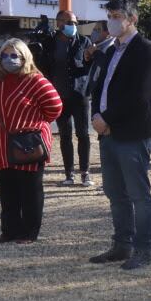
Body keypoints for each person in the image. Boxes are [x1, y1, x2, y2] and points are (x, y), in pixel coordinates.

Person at [89, 0, 151, 270]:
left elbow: (139, 97)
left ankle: (143, 250)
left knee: (138, 195)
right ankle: (122, 245)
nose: (111, 21)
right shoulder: (109, 50)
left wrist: (107, 118)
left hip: (131, 133)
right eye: (109, 15)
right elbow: (99, 86)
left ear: (132, 19)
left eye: (117, 16)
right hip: (107, 133)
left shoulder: (145, 50)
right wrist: (97, 115)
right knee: (114, 192)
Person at [0, 39, 63, 244]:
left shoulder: (36, 81)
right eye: (4, 55)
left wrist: (32, 124)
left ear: (24, 57)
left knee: (30, 191)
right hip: (0, 144)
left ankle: (29, 232)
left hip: (28, 144)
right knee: (7, 191)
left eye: (14, 55)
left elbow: (55, 107)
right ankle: (10, 230)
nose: (9, 60)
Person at [43, 11, 94, 187]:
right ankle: (69, 173)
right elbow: (44, 67)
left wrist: (89, 58)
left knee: (83, 134)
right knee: (65, 135)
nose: (73, 26)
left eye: (74, 22)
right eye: (69, 22)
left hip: (80, 95)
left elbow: (89, 66)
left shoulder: (84, 42)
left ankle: (85, 173)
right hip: (59, 95)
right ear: (59, 23)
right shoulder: (50, 43)